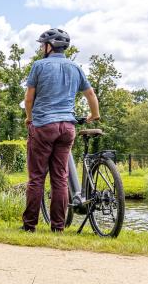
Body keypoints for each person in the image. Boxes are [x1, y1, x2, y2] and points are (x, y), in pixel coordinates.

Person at [22, 28, 100, 232]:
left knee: (37, 177)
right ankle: (58, 227)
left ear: (50, 46)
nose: (41, 48)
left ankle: (30, 225)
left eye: (42, 44)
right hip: (67, 127)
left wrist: (29, 118)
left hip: (43, 126)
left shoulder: (38, 66)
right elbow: (90, 93)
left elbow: (29, 98)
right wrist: (94, 115)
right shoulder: (75, 67)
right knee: (60, 178)